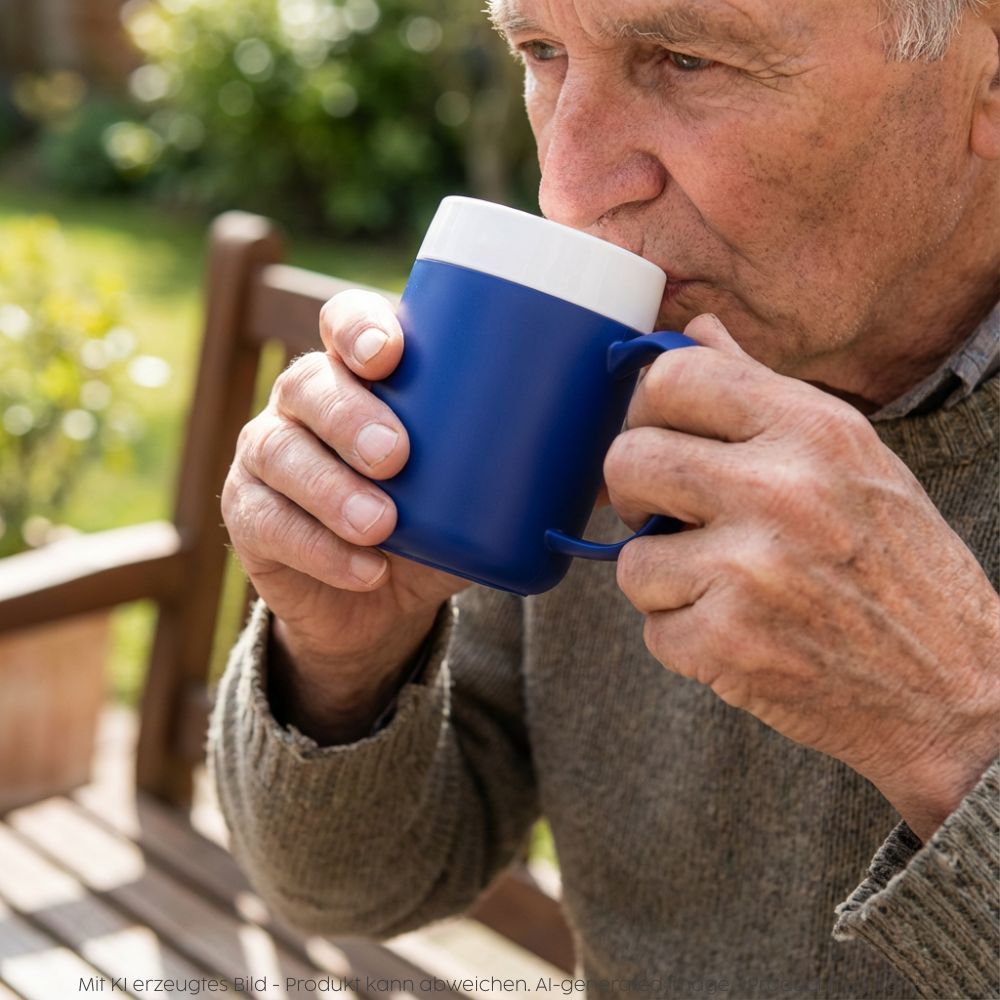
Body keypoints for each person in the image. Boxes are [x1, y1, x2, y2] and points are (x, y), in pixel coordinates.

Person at [209, 0, 1000, 995]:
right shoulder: (601, 380)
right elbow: (356, 888)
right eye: (540, 51)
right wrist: (343, 661)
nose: (568, 189)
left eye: (684, 59)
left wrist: (960, 726)